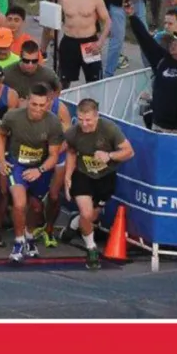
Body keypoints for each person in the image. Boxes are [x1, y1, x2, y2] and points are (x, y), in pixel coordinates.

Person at [0, 84, 65, 265]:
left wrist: (39, 170)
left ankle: (29, 236)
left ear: (48, 103)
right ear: (27, 100)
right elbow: (0, 134)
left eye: (42, 105)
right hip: (17, 164)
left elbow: (54, 155)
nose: (37, 109)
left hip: (40, 166)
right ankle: (19, 243)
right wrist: (1, 160)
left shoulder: (53, 123)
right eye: (34, 104)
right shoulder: (13, 117)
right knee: (19, 204)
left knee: (35, 207)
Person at [62, 99, 135, 270]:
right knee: (87, 213)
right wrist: (68, 176)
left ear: (97, 117)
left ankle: (74, 223)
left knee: (92, 217)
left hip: (105, 176)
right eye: (81, 119)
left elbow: (129, 152)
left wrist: (109, 156)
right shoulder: (73, 133)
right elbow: (71, 152)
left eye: (88, 120)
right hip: (83, 174)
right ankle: (91, 248)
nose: (84, 124)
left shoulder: (109, 129)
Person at [126, 6, 177, 134]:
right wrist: (132, 16)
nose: (175, 43)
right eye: (176, 40)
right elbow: (145, 39)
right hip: (159, 127)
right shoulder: (162, 60)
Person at [57, 0, 110, 86]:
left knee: (94, 82)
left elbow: (107, 21)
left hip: (89, 43)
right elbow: (56, 21)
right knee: (63, 81)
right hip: (69, 42)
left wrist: (100, 42)